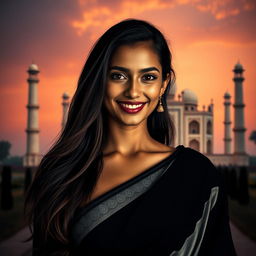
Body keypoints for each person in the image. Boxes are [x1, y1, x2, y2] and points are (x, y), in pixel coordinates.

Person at [24, 19, 237, 256]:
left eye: (148, 77)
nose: (134, 91)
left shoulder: (197, 174)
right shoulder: (63, 172)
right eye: (118, 76)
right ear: (100, 81)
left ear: (164, 84)